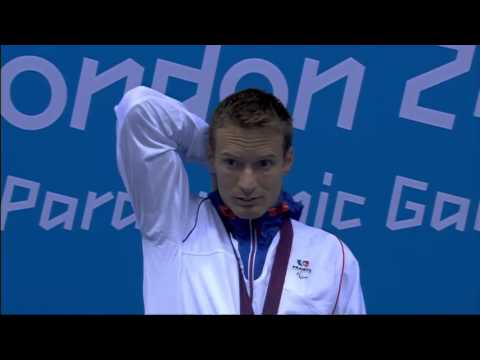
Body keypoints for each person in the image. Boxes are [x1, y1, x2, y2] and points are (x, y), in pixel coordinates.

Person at [114, 86, 366, 314]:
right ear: (211, 157)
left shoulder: (331, 256)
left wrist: (229, 154)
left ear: (287, 160)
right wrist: (216, 144)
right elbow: (138, 109)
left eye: (263, 164)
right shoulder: (174, 223)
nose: (247, 184)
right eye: (232, 163)